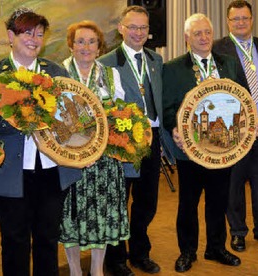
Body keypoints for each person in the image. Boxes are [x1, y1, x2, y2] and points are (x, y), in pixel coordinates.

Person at [0, 9, 81, 275]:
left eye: (39, 34)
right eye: (27, 32)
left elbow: (74, 118)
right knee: (14, 240)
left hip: (52, 171)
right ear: (10, 36)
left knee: (48, 239)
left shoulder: (56, 73)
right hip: (10, 173)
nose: (34, 39)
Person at [162, 13, 246, 273]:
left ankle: (216, 247)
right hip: (190, 151)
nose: (203, 37)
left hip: (224, 148)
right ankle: (187, 251)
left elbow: (245, 100)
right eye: (197, 33)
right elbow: (166, 108)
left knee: (218, 201)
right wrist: (175, 128)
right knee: (188, 203)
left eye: (207, 32)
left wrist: (253, 121)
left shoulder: (229, 64)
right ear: (187, 38)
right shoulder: (173, 68)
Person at [59, 20, 130, 276]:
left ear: (99, 47)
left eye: (92, 41)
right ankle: (76, 270)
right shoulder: (60, 75)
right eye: (80, 41)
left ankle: (97, 270)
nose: (86, 47)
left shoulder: (111, 75)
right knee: (73, 217)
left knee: (102, 213)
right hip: (70, 161)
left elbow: (120, 114)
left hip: (104, 161)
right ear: (71, 45)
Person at [212, 0, 258, 252]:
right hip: (234, 131)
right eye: (235, 19)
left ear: (252, 19)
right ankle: (238, 231)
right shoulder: (217, 49)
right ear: (228, 22)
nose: (240, 22)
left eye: (245, 18)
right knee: (235, 183)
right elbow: (216, 91)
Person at [98, 5, 163, 275]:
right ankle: (116, 259)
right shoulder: (106, 63)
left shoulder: (156, 60)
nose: (138, 32)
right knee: (119, 202)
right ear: (121, 29)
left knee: (147, 202)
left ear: (149, 32)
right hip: (123, 141)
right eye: (132, 27)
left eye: (143, 27)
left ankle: (140, 253)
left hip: (153, 138)